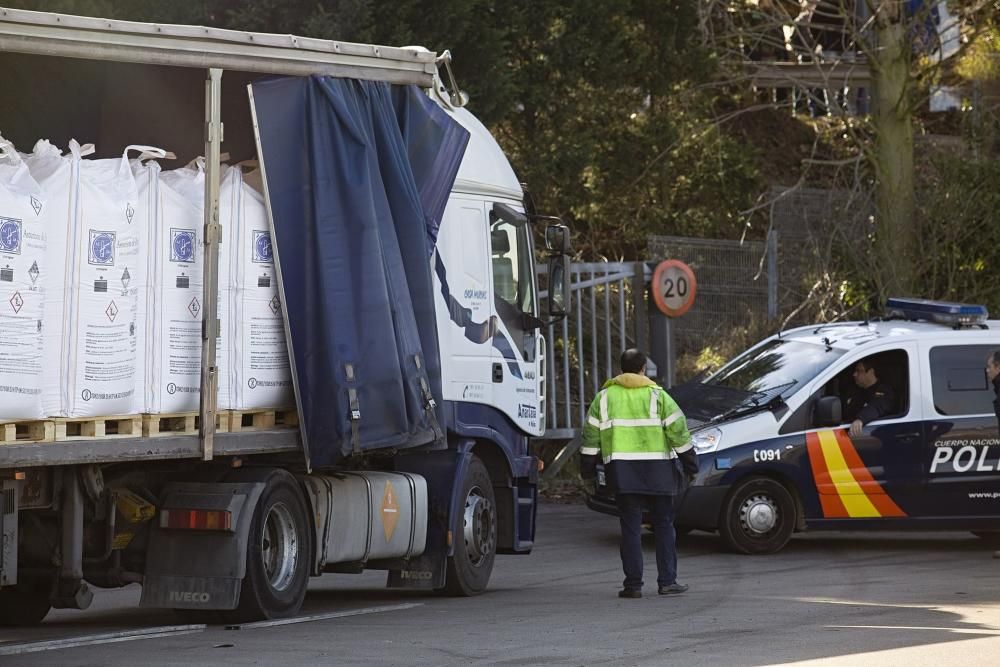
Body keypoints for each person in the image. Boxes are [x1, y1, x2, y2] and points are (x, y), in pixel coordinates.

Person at [579, 349, 699, 599]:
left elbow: (590, 439)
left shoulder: (604, 398)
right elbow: (680, 433)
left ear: (621, 368)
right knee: (664, 525)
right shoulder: (659, 396)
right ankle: (667, 581)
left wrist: (587, 473)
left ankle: (633, 585)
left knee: (631, 529)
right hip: (659, 472)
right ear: (643, 368)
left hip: (623, 473)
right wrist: (691, 466)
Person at [843, 359, 896, 438]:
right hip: (845, 434)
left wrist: (860, 419)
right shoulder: (855, 390)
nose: (854, 374)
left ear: (870, 372)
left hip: (877, 436)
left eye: (859, 371)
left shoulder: (884, 390)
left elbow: (876, 406)